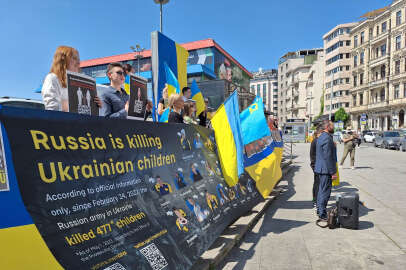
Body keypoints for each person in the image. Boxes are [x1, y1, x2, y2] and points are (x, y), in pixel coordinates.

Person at [42, 46, 101, 111]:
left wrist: (96, 105)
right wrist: (74, 104)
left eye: (78, 59)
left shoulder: (78, 82)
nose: (78, 62)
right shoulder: (52, 78)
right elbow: (51, 107)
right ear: (63, 60)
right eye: (74, 58)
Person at [314, 120, 337, 221]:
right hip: (326, 169)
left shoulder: (321, 137)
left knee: (321, 190)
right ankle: (322, 213)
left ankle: (319, 209)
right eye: (332, 125)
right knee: (325, 192)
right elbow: (328, 157)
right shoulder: (327, 139)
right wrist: (333, 172)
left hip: (320, 168)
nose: (333, 126)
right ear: (327, 127)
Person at [310, 125, 323, 207]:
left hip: (316, 165)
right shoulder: (316, 141)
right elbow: (314, 155)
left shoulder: (317, 140)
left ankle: (316, 200)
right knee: (318, 183)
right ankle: (315, 201)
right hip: (317, 165)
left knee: (317, 183)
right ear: (320, 132)